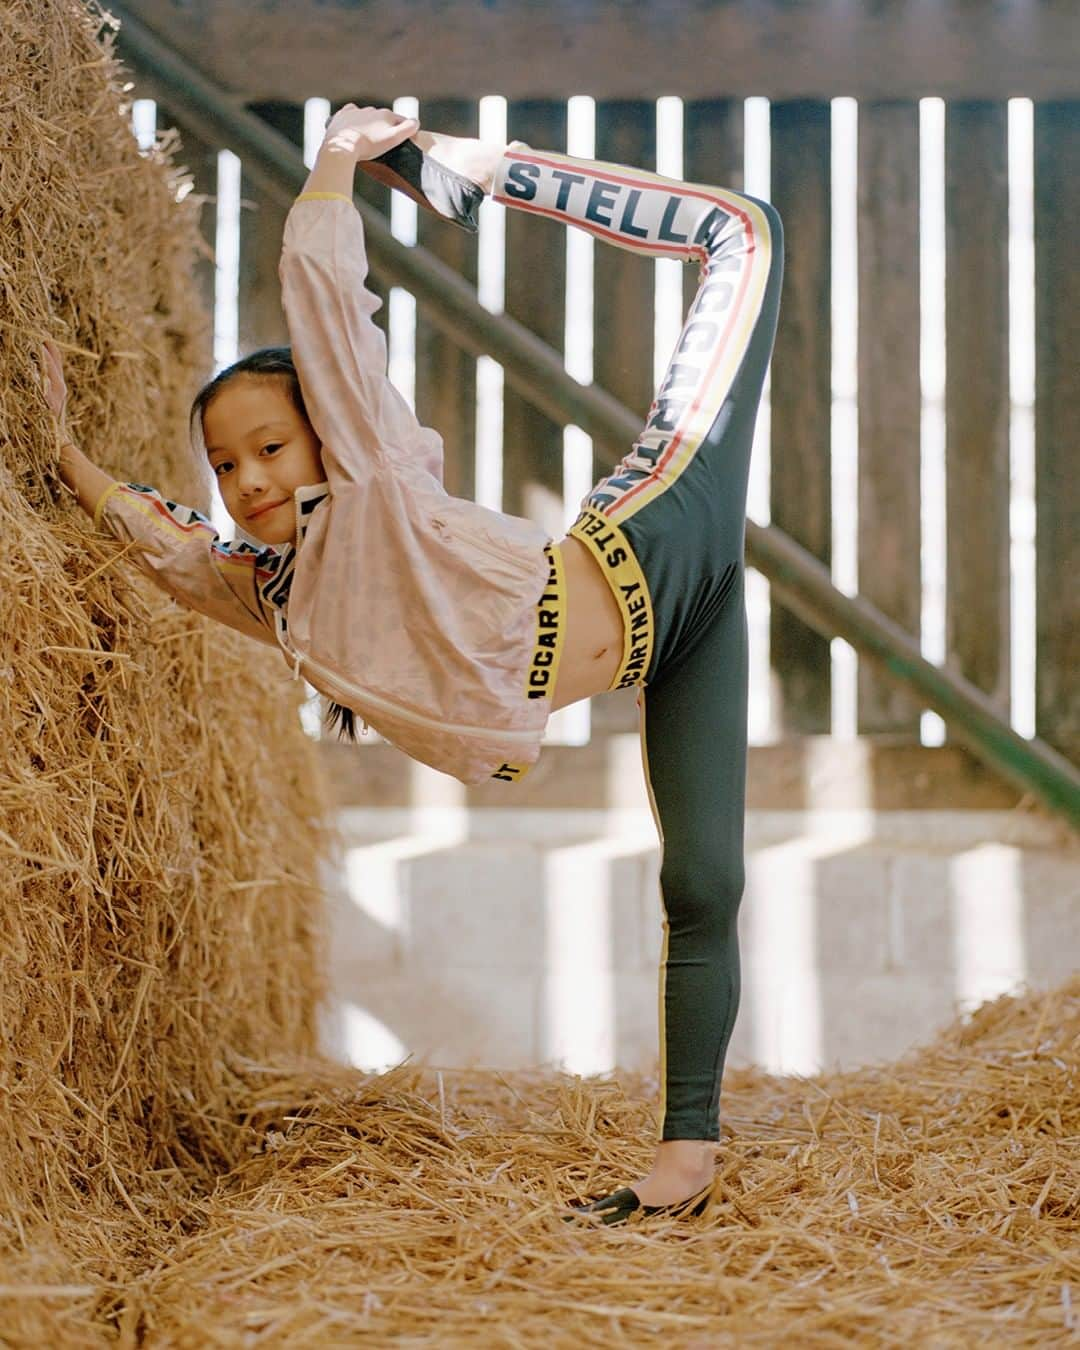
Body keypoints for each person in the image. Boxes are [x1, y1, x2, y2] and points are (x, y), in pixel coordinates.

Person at [43, 105, 783, 1226]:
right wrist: (63, 454)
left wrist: (341, 166)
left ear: (326, 438)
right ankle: (686, 1158)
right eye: (227, 462)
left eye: (270, 448)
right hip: (679, 633)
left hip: (660, 529)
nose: (246, 480)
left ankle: (465, 172)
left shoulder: (374, 484)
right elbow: (170, 549)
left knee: (744, 232)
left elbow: (326, 309)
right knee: (703, 885)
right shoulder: (284, 598)